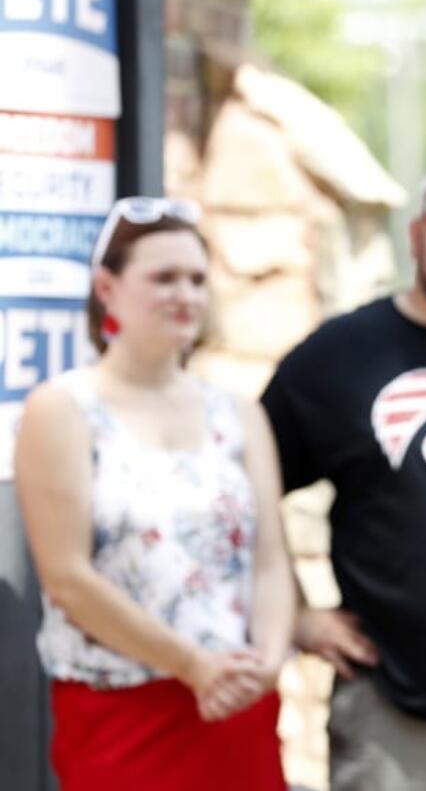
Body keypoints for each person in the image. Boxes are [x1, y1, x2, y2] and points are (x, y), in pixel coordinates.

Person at [260, 156, 426, 791]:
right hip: (391, 713)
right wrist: (296, 612)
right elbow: (242, 484)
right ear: (417, 238)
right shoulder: (339, 356)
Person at [14, 196, 294, 790]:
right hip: (121, 716)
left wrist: (266, 664)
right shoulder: (62, 409)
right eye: (163, 278)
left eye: (196, 279)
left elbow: (271, 559)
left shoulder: (238, 413)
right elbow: (66, 578)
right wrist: (193, 666)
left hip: (234, 709)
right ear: (107, 288)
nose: (185, 295)